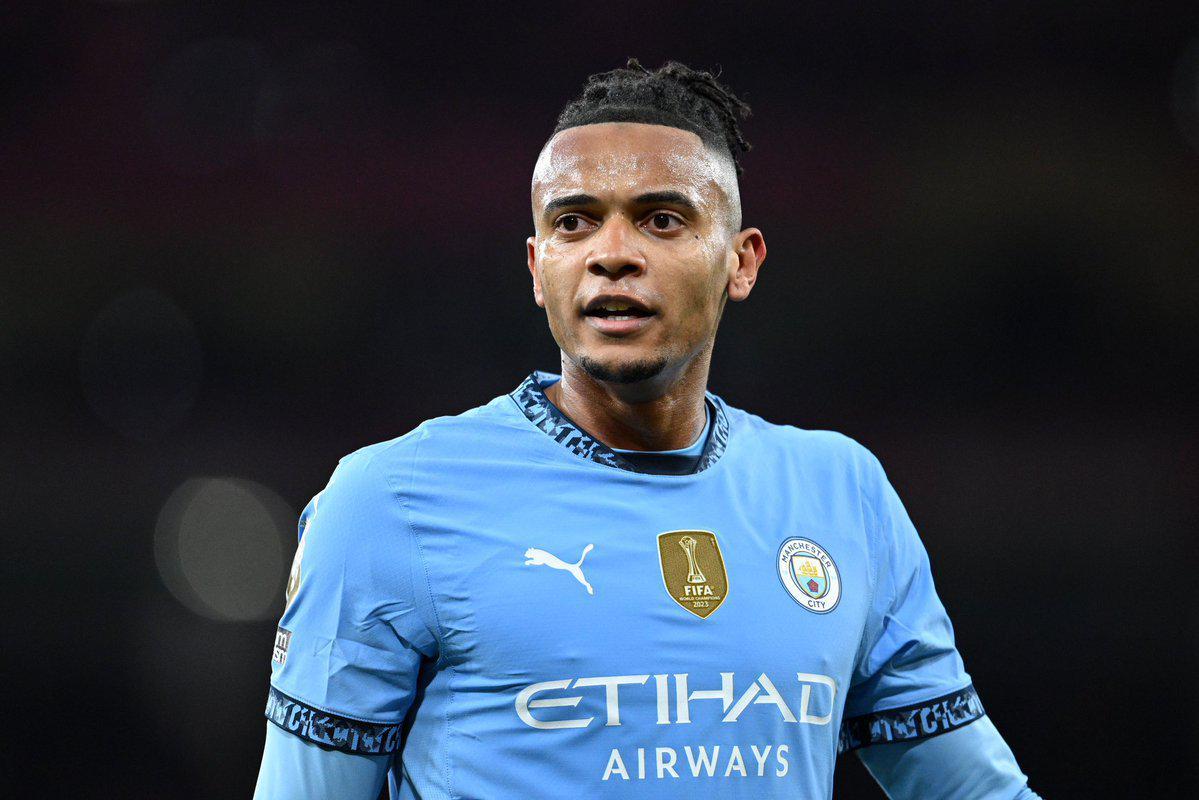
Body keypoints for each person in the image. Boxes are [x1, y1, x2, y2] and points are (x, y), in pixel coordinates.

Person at [253, 58, 1041, 799]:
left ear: (741, 262)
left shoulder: (841, 493)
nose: (611, 255)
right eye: (573, 223)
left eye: (661, 220)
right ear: (537, 268)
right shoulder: (390, 501)